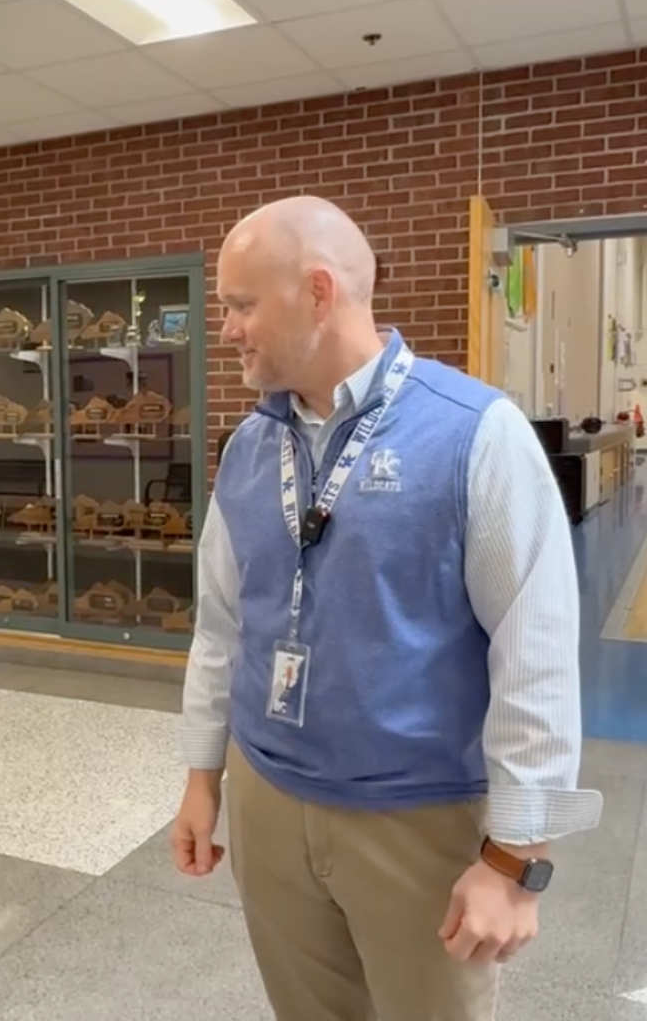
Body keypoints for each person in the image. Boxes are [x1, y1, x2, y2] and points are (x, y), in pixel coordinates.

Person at [170, 196, 603, 1021]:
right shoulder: (248, 448)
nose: (225, 329)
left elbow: (535, 653)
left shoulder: (475, 433)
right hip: (266, 796)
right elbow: (221, 625)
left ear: (318, 291)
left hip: (417, 818)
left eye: (241, 304)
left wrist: (515, 861)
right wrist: (203, 779)